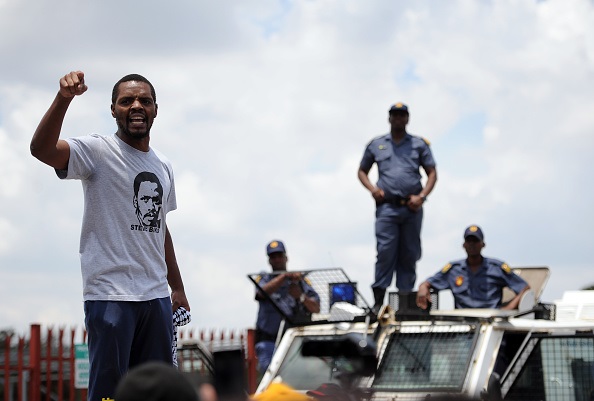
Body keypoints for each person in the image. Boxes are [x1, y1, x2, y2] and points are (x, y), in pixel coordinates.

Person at [30, 71, 190, 401]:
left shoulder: (163, 165)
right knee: (110, 394)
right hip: (111, 297)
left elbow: (161, 229)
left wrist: (177, 287)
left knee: (160, 393)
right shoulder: (98, 151)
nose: (136, 106)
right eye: (126, 100)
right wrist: (64, 98)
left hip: (156, 298)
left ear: (155, 110)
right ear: (113, 109)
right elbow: (41, 149)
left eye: (144, 101)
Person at [358, 102, 437, 312]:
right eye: (395, 115)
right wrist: (372, 190)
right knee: (385, 252)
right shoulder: (377, 144)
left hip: (412, 208)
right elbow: (362, 171)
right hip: (387, 208)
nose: (398, 119)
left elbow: (432, 173)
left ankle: (404, 302)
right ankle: (378, 301)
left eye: (402, 115)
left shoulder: (419, 145)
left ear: (407, 119)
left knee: (409, 254)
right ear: (389, 118)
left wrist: (422, 196)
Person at [416, 225, 530, 310]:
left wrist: (508, 308)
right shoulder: (453, 270)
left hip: (491, 324)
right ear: (463, 245)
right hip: (463, 327)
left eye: (475, 241)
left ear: (483, 244)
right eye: (468, 241)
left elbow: (524, 288)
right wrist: (423, 287)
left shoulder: (496, 268)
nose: (472, 245)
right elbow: (428, 283)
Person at [254, 240, 321, 374]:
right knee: (270, 372)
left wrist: (300, 296)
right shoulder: (264, 278)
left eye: (280, 256)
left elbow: (316, 308)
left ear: (286, 258)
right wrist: (284, 277)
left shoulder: (300, 281)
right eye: (273, 257)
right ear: (269, 261)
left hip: (293, 339)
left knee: (299, 374)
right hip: (269, 340)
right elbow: (260, 293)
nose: (277, 260)